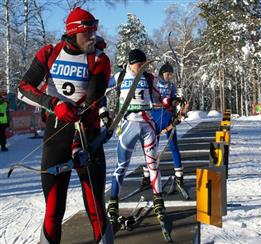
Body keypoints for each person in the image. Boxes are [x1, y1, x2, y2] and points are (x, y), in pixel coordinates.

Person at [17, 7, 113, 244]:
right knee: (52, 210)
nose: (93, 36)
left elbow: (91, 102)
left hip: (86, 138)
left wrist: (77, 144)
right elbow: (23, 88)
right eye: (87, 31)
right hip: (55, 138)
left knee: (95, 208)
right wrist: (53, 103)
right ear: (73, 33)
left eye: (95, 30)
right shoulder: (49, 53)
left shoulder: (99, 59)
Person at [107, 49, 167, 225]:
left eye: (143, 64)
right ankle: (113, 201)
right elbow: (100, 91)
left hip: (147, 126)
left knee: (153, 164)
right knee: (121, 166)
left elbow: (161, 96)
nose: (140, 68)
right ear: (130, 63)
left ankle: (158, 199)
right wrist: (102, 112)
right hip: (127, 126)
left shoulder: (149, 78)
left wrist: (171, 102)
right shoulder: (119, 77)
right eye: (138, 64)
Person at [151, 62, 185, 187]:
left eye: (170, 74)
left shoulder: (171, 85)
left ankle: (179, 176)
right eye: (167, 74)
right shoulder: (154, 83)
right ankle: (147, 176)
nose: (169, 76)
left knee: (173, 146)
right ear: (162, 73)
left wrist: (176, 102)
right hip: (155, 117)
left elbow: (174, 98)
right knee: (152, 148)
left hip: (168, 118)